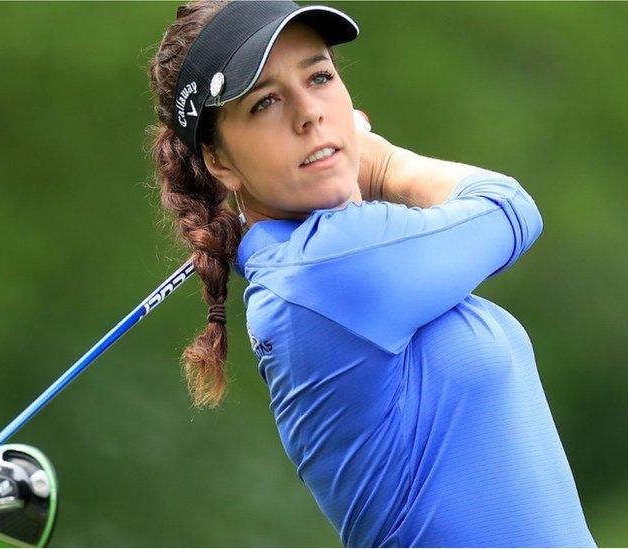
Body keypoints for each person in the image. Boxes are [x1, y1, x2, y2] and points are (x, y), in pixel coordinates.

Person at [146, 1, 596, 546]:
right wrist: (380, 162)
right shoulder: (319, 271)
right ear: (218, 161)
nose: (309, 112)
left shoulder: (312, 261)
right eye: (265, 102)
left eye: (319, 76)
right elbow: (509, 209)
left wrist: (349, 171)